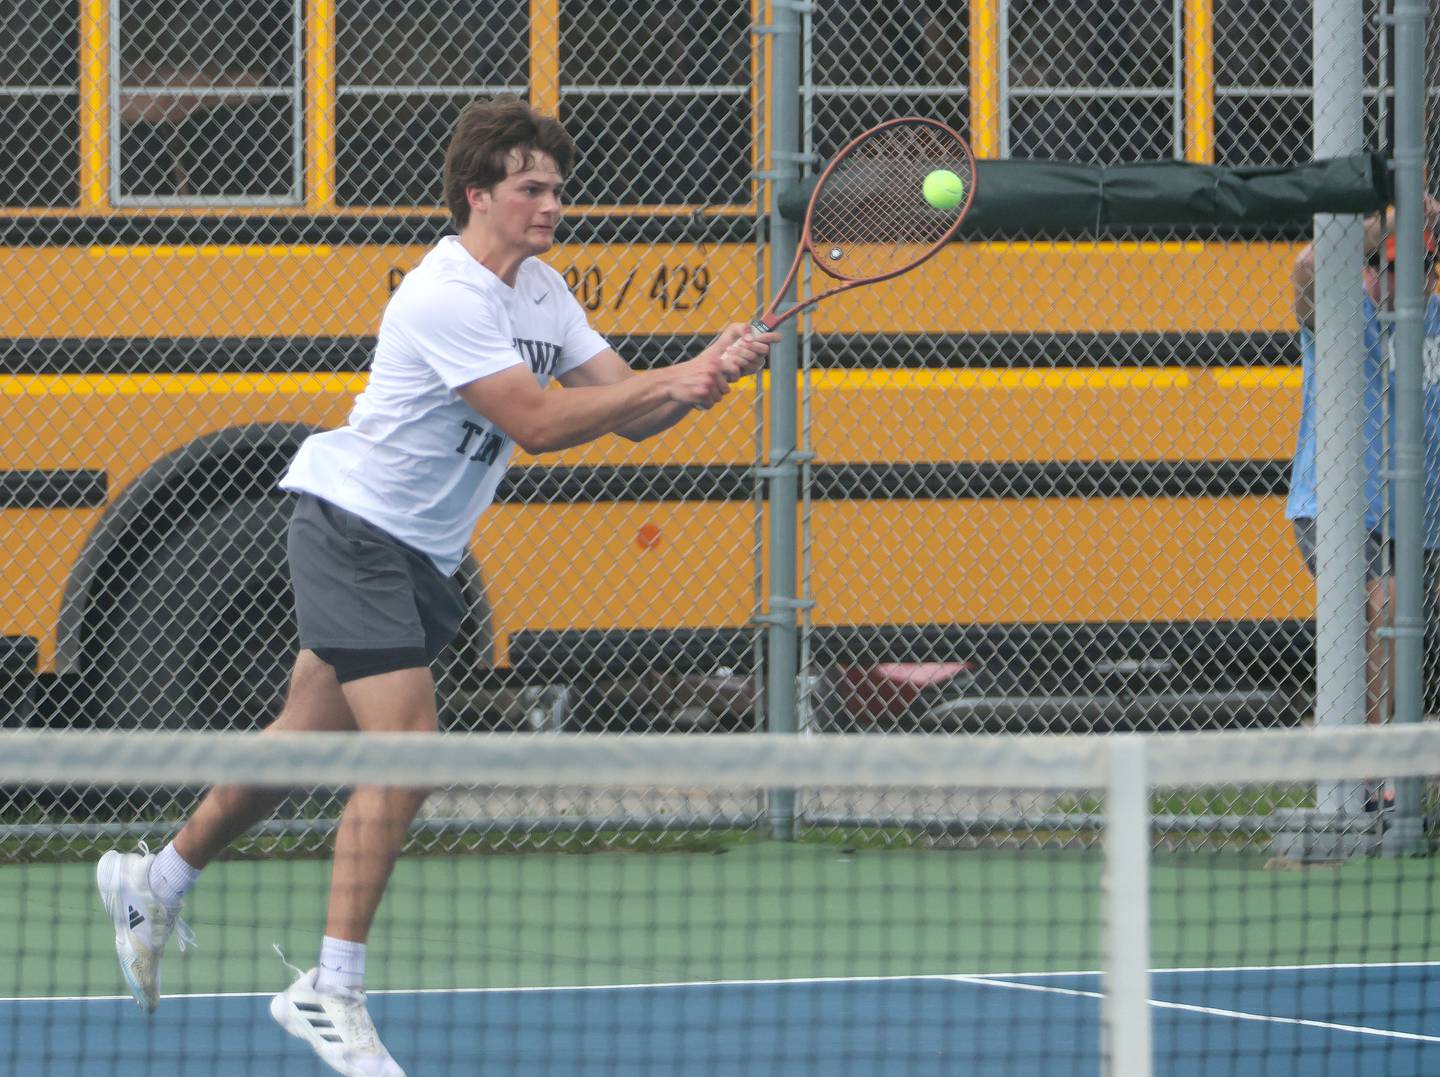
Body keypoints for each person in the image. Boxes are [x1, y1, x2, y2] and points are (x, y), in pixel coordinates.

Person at [95, 96, 778, 1077]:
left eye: (557, 188)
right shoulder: (444, 293)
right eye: (531, 188)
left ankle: (150, 879)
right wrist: (677, 371)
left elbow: (625, 412)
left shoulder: (543, 292)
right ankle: (329, 987)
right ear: (479, 194)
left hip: (421, 551)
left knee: (297, 745)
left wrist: (698, 381)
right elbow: (540, 425)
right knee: (408, 747)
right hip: (352, 527)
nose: (551, 205)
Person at [1286, 201, 1440, 744]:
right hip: (1334, 507)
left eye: (1421, 269)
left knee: (1389, 608)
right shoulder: (1340, 312)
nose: (1409, 284)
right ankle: (1376, 764)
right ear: (1371, 273)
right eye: (1394, 268)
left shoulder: (1435, 319)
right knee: (1383, 600)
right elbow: (1306, 266)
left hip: (1413, 520)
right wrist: (1389, 220)